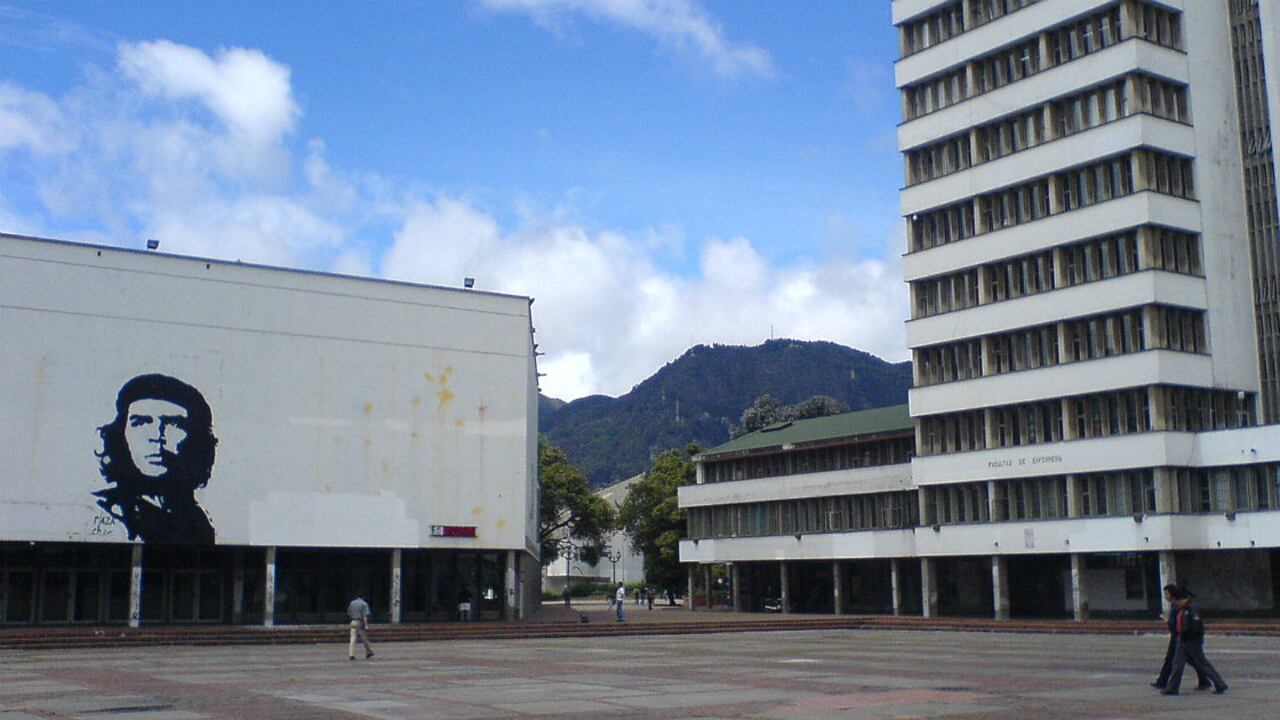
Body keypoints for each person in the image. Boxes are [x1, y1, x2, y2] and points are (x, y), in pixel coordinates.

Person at [93, 374, 218, 543]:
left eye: (173, 423)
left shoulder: (197, 520)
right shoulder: (103, 511)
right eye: (141, 422)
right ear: (121, 433)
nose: (156, 436)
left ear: (196, 438)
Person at [1162, 586, 1227, 695]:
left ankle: (1220, 683)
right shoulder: (1183, 609)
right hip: (1182, 639)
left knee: (1202, 663)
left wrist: (1189, 638)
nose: (1176, 604)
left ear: (1181, 599)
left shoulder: (1192, 609)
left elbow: (1195, 627)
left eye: (1177, 601)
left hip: (1191, 641)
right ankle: (1172, 688)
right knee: (1177, 664)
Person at [1152, 584, 1209, 691]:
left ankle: (1207, 680)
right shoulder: (1176, 604)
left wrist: (1172, 625)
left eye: (1167, 594)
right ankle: (1163, 682)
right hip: (1178, 636)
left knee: (1187, 661)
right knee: (1180, 660)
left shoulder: (1179, 605)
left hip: (1181, 637)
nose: (1166, 596)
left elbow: (1183, 621)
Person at [347, 592, 374, 660]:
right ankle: (369, 651)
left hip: (353, 622)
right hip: (360, 622)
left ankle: (351, 654)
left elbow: (349, 613)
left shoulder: (352, 603)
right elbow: (365, 616)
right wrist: (366, 625)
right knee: (364, 638)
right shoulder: (364, 604)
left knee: (352, 639)